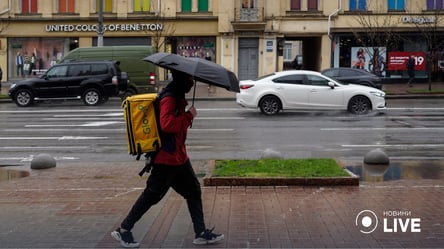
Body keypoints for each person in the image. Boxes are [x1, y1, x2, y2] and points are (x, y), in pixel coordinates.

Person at [111, 70, 224, 248]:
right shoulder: (169, 98)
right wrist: (189, 116)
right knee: (152, 195)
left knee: (193, 191)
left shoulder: (177, 95)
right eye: (189, 78)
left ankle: (200, 233)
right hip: (166, 159)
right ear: (181, 79)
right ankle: (124, 229)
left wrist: (185, 115)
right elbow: (167, 124)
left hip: (179, 157)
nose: (192, 82)